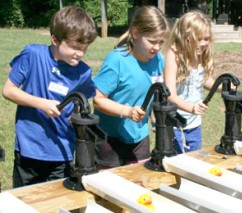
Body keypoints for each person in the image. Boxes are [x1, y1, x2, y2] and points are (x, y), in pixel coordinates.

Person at [2, 6, 98, 188]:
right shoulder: (33, 55)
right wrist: (42, 104)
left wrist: (76, 116)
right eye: (75, 47)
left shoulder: (83, 72)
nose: (80, 53)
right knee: (25, 200)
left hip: (62, 151)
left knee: (57, 201)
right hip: (30, 147)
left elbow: (83, 102)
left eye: (85, 48)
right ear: (55, 39)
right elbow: (8, 90)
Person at [93, 6, 169, 168]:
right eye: (152, 41)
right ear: (135, 33)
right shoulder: (117, 61)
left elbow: (155, 90)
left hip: (139, 135)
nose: (156, 47)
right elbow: (97, 99)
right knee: (109, 187)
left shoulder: (158, 60)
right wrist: (126, 111)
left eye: (161, 42)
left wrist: (155, 114)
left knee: (139, 181)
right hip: (109, 137)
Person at [163, 10, 218, 154]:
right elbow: (169, 94)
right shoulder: (173, 55)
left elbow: (203, 79)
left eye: (207, 39)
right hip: (175, 125)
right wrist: (191, 108)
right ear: (186, 37)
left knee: (194, 162)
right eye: (200, 39)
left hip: (194, 125)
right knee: (176, 165)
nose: (204, 43)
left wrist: (222, 86)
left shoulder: (198, 54)